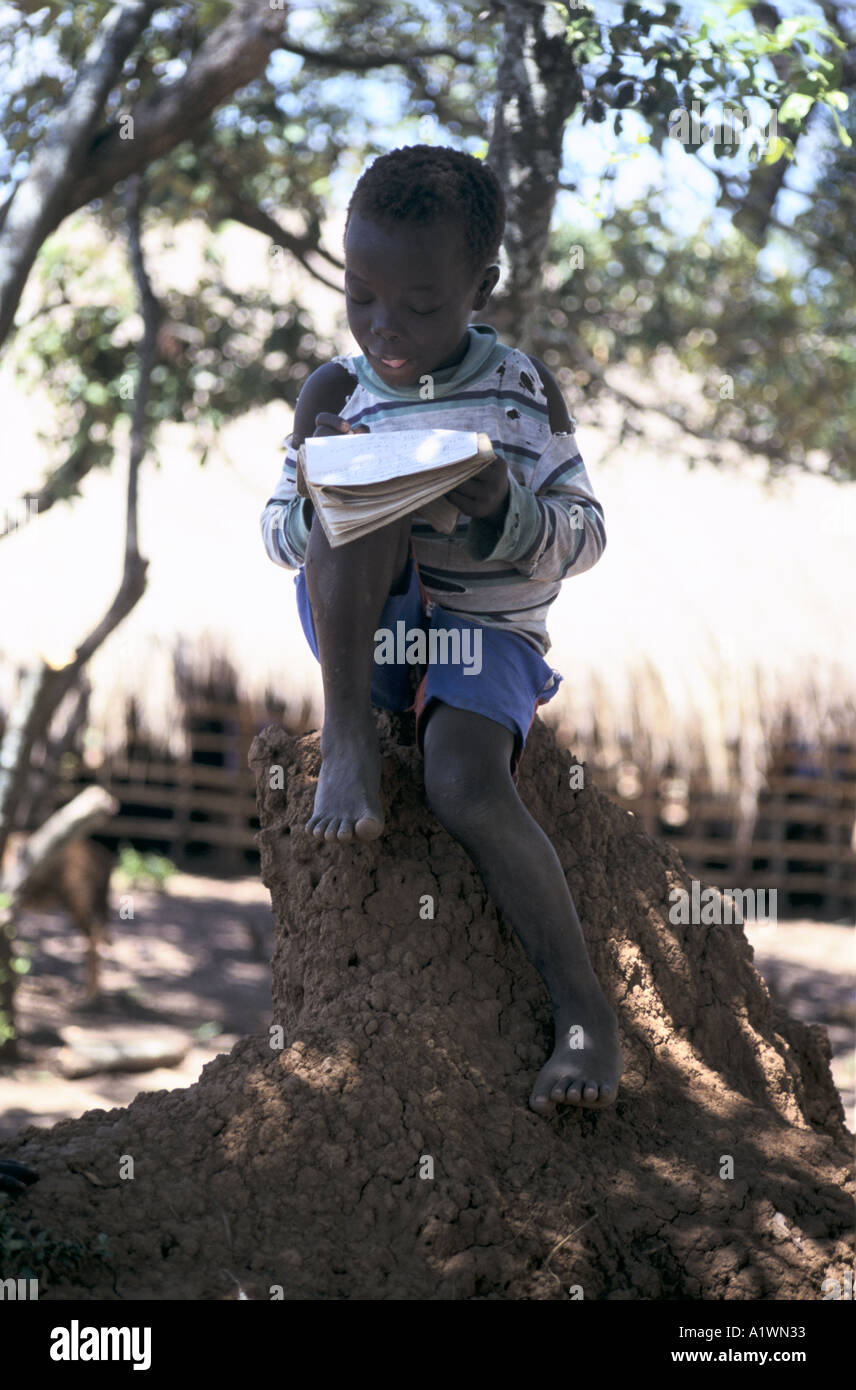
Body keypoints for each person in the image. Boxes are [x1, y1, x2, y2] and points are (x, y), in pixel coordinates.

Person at [261, 145, 623, 1113]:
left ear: (480, 286)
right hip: (366, 639)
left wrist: (501, 502)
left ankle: (586, 1015)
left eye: (420, 307)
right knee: (352, 502)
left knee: (465, 781)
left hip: (485, 638)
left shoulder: (519, 390)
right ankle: (348, 744)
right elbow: (276, 537)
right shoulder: (332, 393)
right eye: (361, 297)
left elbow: (585, 538)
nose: (386, 328)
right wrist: (319, 481)